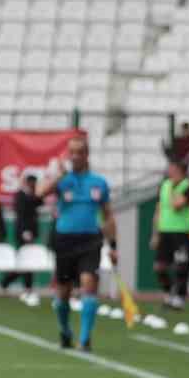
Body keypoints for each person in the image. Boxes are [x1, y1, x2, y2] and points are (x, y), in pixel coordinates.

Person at [38, 133, 117, 352]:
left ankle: (84, 339)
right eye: (71, 152)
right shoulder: (62, 180)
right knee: (63, 293)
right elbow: (40, 192)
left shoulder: (99, 183)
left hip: (90, 240)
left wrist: (113, 245)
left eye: (79, 152)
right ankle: (65, 331)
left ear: (87, 155)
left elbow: (108, 215)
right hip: (64, 241)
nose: (75, 156)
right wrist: (59, 176)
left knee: (88, 285)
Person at [0, 174, 42, 292]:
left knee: (28, 260)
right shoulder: (20, 195)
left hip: (31, 232)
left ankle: (9, 283)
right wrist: (25, 231)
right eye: (32, 183)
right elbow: (21, 215)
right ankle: (18, 285)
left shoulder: (33, 195)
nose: (34, 185)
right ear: (27, 183)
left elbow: (39, 201)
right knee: (26, 260)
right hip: (23, 232)